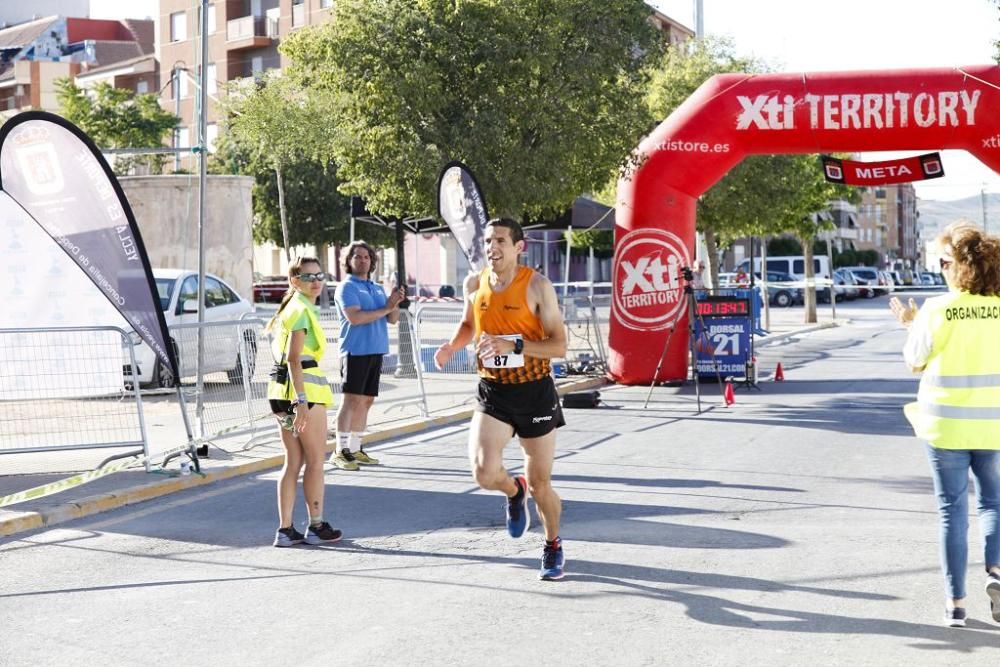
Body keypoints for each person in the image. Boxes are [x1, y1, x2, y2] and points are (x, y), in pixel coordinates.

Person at [434, 217, 569, 580]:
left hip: (534, 392)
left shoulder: (538, 287)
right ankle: (513, 491)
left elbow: (559, 345)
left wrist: (517, 345)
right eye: (488, 241)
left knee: (542, 484)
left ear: (518, 247)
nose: (491, 248)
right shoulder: (474, 283)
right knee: (482, 472)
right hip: (493, 390)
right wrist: (452, 345)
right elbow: (469, 325)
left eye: (500, 241)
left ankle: (552, 543)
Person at [889, 222, 1000, 628]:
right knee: (993, 502)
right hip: (995, 425)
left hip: (945, 426)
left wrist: (911, 324)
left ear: (957, 267)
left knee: (952, 511)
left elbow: (914, 362)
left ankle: (956, 604)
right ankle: (997, 574)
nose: (940, 268)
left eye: (942, 262)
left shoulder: (938, 309)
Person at [266, 257, 342, 547]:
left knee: (293, 460)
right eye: (308, 276)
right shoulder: (299, 309)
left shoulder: (292, 307)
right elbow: (294, 358)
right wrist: (301, 401)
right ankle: (316, 525)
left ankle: (285, 529)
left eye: (319, 275)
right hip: (302, 394)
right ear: (294, 281)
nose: (316, 280)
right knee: (315, 461)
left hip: (280, 392)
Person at [330, 241, 405, 470]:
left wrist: (395, 303)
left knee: (367, 401)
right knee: (350, 401)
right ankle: (340, 451)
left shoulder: (375, 287)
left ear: (372, 261)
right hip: (355, 350)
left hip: (376, 350)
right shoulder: (347, 287)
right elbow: (355, 318)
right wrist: (386, 307)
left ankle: (355, 448)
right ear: (349, 261)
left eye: (366, 257)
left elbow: (392, 320)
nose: (363, 260)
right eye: (357, 256)